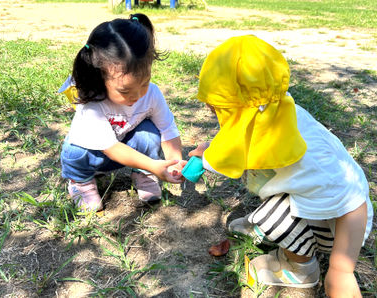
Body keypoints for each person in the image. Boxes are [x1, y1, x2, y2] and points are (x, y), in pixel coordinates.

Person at [188, 35, 373, 297]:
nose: (215, 115)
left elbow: (353, 201)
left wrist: (342, 268)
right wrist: (206, 153)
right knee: (270, 213)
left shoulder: (316, 159)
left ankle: (300, 268)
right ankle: (295, 236)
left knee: (269, 218)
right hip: (318, 208)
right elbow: (236, 142)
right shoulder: (271, 112)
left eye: (219, 111)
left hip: (342, 226)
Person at [60, 14, 185, 212]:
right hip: (94, 156)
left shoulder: (152, 93)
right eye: (124, 91)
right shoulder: (92, 103)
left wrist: (174, 162)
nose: (137, 96)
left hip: (124, 148)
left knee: (150, 133)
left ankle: (144, 172)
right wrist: (155, 165)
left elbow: (167, 129)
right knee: (76, 152)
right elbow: (111, 148)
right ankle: (80, 182)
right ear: (100, 77)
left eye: (144, 84)